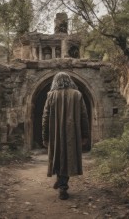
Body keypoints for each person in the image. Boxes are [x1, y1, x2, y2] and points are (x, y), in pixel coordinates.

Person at [42, 72, 89, 200]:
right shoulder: (77, 95)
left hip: (55, 134)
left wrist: (45, 136)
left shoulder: (50, 96)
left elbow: (45, 118)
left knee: (58, 155)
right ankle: (63, 185)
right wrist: (85, 135)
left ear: (55, 82)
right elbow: (84, 116)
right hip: (72, 133)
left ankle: (61, 181)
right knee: (68, 157)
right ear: (69, 81)